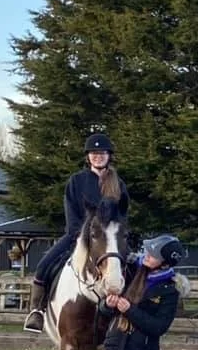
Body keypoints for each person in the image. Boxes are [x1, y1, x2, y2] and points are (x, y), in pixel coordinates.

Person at [24, 133, 130, 332]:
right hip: (78, 237)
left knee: (133, 266)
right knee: (44, 265)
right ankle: (37, 311)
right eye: (94, 153)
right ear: (88, 157)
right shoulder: (77, 181)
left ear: (109, 156)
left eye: (102, 153)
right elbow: (71, 212)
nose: (98, 156)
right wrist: (80, 236)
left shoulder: (119, 184)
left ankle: (132, 311)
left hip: (110, 239)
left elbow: (123, 215)